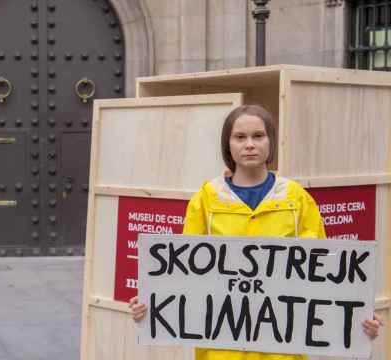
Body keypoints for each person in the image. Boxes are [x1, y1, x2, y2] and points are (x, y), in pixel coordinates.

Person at [128, 104, 384, 360]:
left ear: (270, 142)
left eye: (258, 136)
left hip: (283, 351)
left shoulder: (297, 199)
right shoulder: (205, 200)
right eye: (240, 137)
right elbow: (181, 275)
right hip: (221, 352)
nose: (249, 144)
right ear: (227, 145)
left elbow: (325, 278)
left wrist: (358, 319)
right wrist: (151, 303)